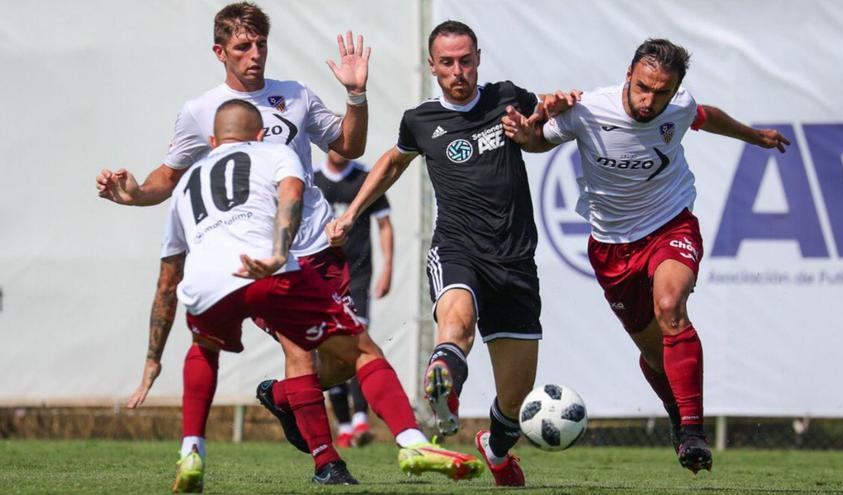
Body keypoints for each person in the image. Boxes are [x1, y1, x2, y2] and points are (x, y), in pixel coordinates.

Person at [127, 100, 484, 491]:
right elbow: (292, 197)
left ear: (212, 141)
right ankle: (410, 442)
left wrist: (151, 360)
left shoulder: (187, 182)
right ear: (261, 134)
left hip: (206, 284)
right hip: (270, 270)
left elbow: (167, 281)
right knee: (362, 351)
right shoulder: (276, 152)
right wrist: (280, 252)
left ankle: (192, 451)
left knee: (204, 348)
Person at [503, 38, 791, 474]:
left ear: (675, 89)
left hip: (670, 225)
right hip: (611, 248)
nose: (649, 100)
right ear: (628, 74)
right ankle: (678, 415)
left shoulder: (678, 106)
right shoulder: (588, 110)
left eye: (662, 92)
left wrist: (754, 137)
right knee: (656, 357)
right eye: (642, 87)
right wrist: (528, 134)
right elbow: (538, 141)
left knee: (671, 306)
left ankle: (693, 431)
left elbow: (706, 116)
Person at [94, 1, 364, 460]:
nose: (255, 54)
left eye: (261, 44)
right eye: (243, 46)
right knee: (300, 347)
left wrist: (356, 96)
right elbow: (170, 175)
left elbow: (350, 144)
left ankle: (283, 396)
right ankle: (327, 461)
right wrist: (136, 192)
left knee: (342, 361)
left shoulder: (295, 94)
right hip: (257, 256)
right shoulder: (202, 111)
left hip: (318, 245)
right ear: (219, 52)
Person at [325, 20, 576, 487]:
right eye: (447, 63)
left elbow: (541, 138)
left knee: (516, 397)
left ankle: (495, 447)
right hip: (458, 249)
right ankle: (443, 380)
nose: (458, 71)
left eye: (465, 61)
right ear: (432, 66)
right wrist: (352, 213)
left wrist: (538, 125)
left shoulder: (507, 97)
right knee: (455, 326)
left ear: (478, 58)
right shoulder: (420, 120)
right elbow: (391, 163)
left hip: (516, 260)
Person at [315, 149, 394, 448]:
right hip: (323, 276)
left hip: (357, 276)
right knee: (327, 348)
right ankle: (344, 425)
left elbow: (384, 225)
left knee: (357, 341)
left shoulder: (364, 178)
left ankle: (361, 419)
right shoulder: (314, 179)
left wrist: (387, 269)